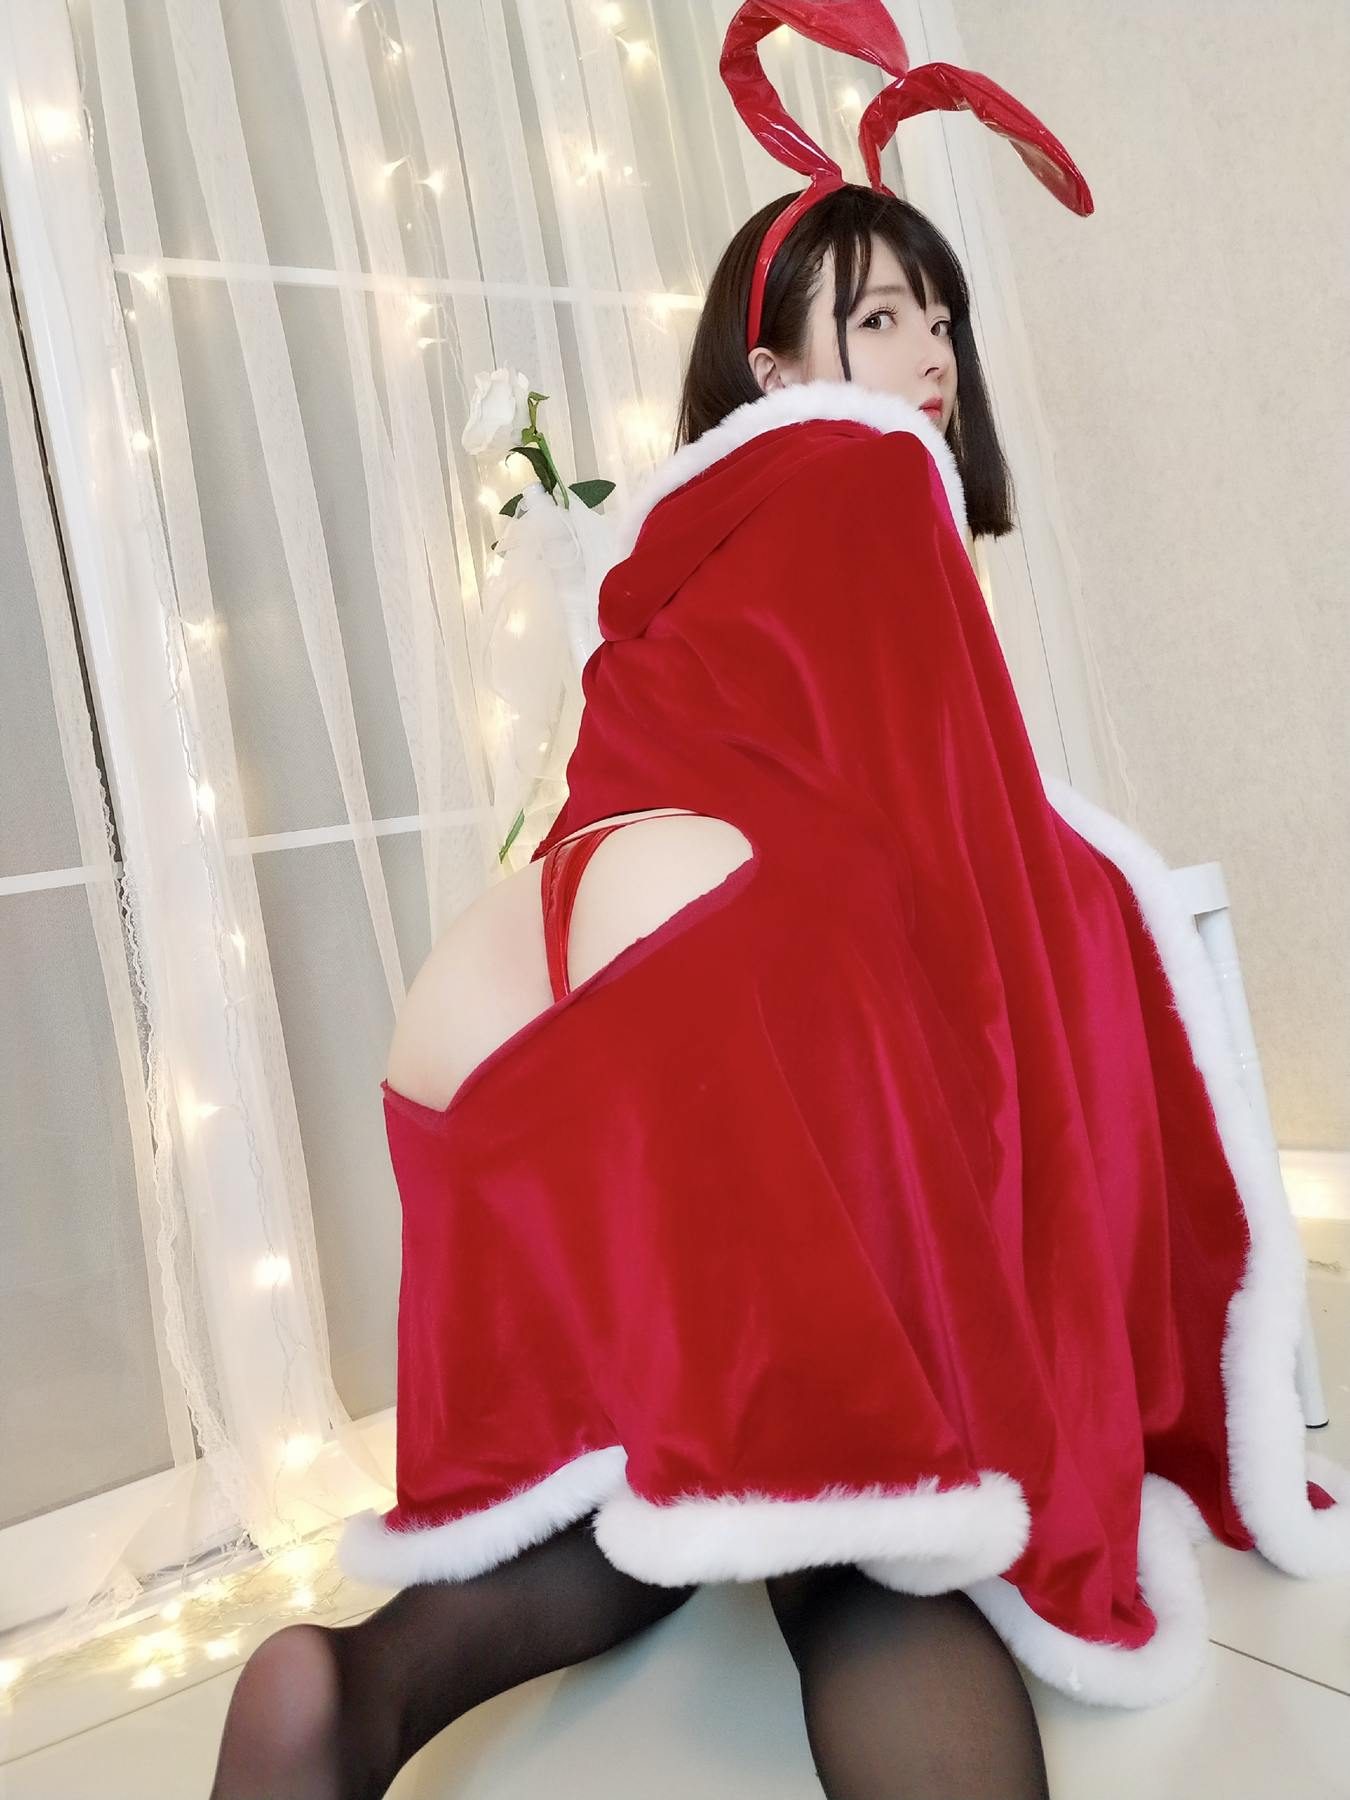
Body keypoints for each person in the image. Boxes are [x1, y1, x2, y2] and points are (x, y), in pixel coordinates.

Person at [210, 7, 1348, 1796]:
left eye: (941, 316)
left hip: (524, 961)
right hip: (716, 947)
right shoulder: (862, 473)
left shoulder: (681, 541)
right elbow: (948, 839)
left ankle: (347, 1691)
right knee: (861, 1526)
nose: (930, 354)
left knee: (643, 1457)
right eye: (877, 316)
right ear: (771, 364)